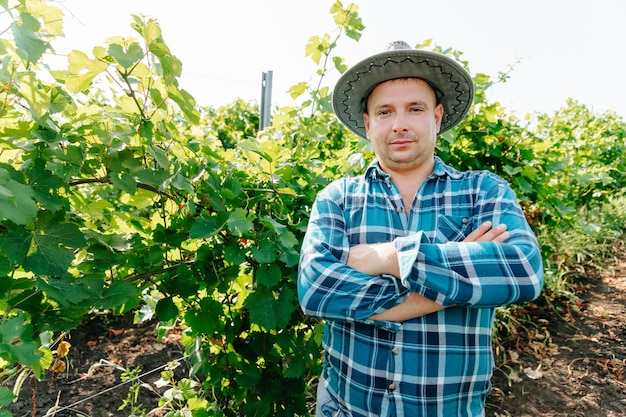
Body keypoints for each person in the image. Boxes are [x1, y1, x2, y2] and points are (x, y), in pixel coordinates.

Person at [297, 41, 544, 417]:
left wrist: (388, 256)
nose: (399, 123)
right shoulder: (338, 199)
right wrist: (463, 280)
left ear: (437, 116)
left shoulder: (483, 191)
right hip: (347, 409)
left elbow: (523, 271)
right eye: (385, 111)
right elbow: (316, 290)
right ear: (368, 123)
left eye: (415, 108)